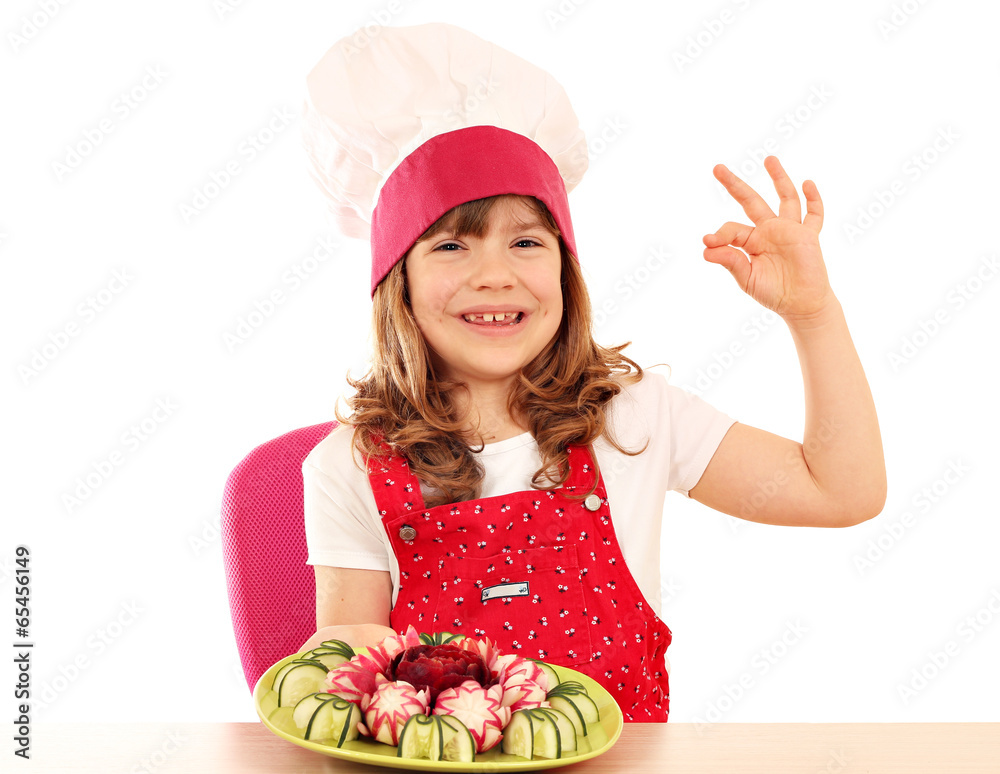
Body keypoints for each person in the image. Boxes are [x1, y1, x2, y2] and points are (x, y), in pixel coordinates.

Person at [295, 23, 886, 722]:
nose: (494, 275)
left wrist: (813, 314)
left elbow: (841, 492)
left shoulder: (633, 418)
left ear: (565, 271)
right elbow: (355, 671)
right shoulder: (350, 465)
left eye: (525, 241)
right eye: (451, 245)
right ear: (397, 281)